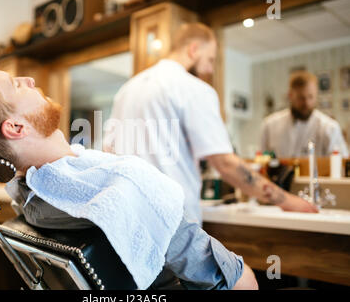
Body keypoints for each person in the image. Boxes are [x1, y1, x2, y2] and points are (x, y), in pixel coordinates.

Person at [0, 65, 258, 290]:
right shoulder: (126, 188)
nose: (26, 79)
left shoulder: (31, 197)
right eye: (14, 84)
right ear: (15, 127)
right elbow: (237, 284)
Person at [103, 22, 318, 225]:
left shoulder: (126, 90)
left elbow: (109, 152)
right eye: (211, 59)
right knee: (241, 267)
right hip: (172, 223)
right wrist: (288, 201)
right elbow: (225, 163)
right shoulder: (193, 89)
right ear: (194, 49)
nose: (210, 70)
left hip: (126, 219)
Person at [261, 70, 349, 158]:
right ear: (290, 96)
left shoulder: (330, 128)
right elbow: (262, 160)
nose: (307, 103)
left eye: (311, 96)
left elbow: (342, 164)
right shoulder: (269, 125)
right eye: (301, 98)